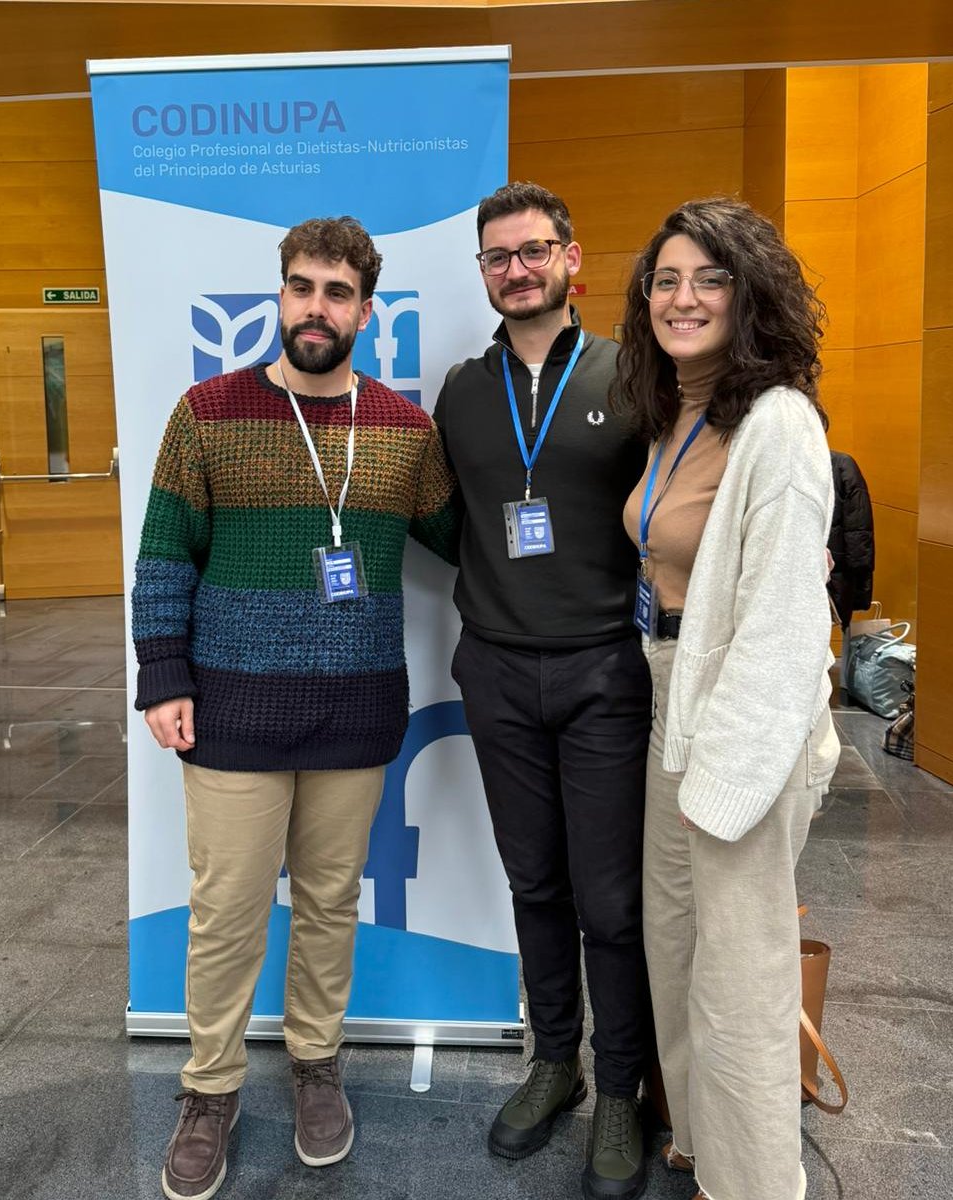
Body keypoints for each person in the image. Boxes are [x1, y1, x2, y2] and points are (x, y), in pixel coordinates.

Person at [131, 215, 459, 1200]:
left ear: (366, 309)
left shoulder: (405, 431)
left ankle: (317, 1065)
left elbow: (462, 538)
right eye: (305, 288)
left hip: (356, 717)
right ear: (281, 296)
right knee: (227, 911)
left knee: (328, 904)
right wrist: (164, 677)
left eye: (339, 292)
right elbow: (161, 558)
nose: (319, 308)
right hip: (230, 714)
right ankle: (210, 1088)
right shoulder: (208, 412)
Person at [611, 197, 842, 1200]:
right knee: (674, 938)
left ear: (751, 295)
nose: (683, 297)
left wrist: (729, 777)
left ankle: (754, 1184)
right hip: (671, 697)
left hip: (740, 723)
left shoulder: (779, 424)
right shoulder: (678, 412)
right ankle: (699, 1137)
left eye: (709, 278)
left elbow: (786, 626)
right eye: (666, 279)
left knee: (743, 974)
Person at [434, 182, 653, 1200]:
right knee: (536, 884)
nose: (515, 270)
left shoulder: (629, 374)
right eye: (496, 257)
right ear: (483, 272)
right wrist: (492, 587)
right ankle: (554, 1064)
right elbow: (448, 520)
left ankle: (621, 1091)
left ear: (573, 257)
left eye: (532, 251)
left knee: (609, 899)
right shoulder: (462, 392)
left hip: (603, 667)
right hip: (498, 669)